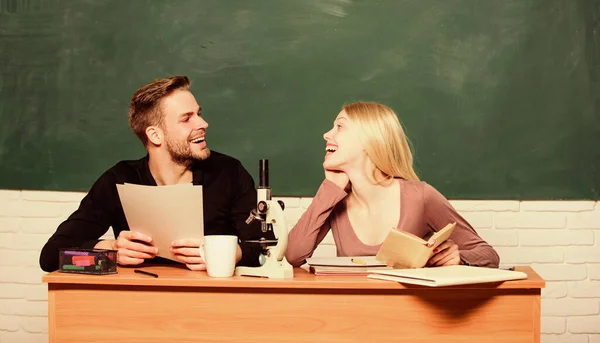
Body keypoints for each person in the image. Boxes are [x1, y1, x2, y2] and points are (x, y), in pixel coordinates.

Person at [39, 76, 269, 272]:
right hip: (140, 307)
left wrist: (228, 254)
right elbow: (51, 258)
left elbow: (265, 250)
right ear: (155, 135)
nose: (203, 123)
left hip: (213, 306)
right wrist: (110, 252)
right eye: (186, 118)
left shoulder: (229, 173)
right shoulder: (119, 179)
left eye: (198, 114)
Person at [285, 101, 500, 268]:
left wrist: (458, 257)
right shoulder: (335, 200)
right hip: (354, 314)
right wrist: (330, 188)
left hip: (410, 316)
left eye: (339, 126)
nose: (327, 134)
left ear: (368, 140)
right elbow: (292, 256)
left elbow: (488, 254)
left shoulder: (420, 197)